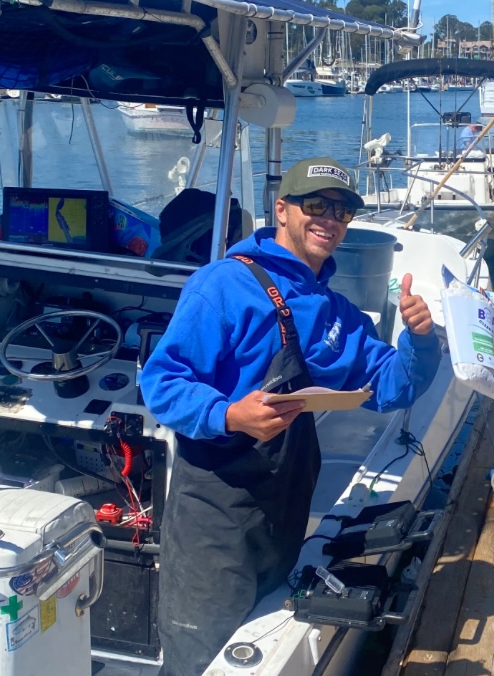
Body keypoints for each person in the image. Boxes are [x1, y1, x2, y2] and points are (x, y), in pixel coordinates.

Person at [141, 157, 441, 675]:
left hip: (284, 508)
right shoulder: (221, 286)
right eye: (316, 204)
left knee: (258, 642)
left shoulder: (335, 312)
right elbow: (161, 382)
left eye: (342, 210)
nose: (330, 218)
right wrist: (229, 414)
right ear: (282, 210)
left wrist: (419, 338)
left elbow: (393, 386)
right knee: (199, 657)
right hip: (215, 513)